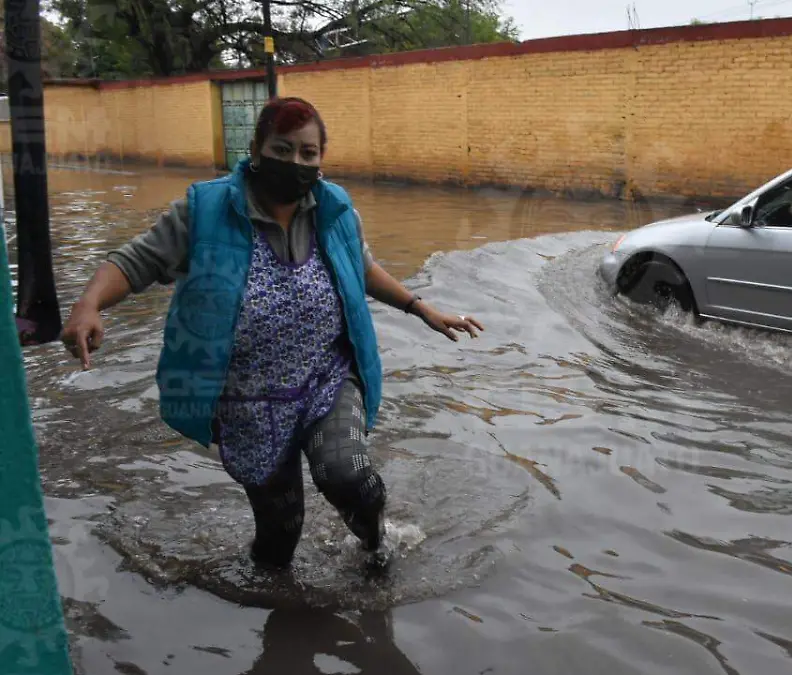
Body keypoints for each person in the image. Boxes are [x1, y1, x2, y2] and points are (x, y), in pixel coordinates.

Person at [59, 96, 484, 572]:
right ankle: (279, 620)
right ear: (256, 148)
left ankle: (375, 546)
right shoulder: (205, 211)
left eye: (308, 153)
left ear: (320, 159)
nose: (295, 163)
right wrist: (89, 304)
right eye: (282, 149)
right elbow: (135, 262)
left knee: (348, 475)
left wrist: (420, 307)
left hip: (326, 377)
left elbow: (360, 267)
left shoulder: (333, 207)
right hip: (248, 403)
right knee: (280, 536)